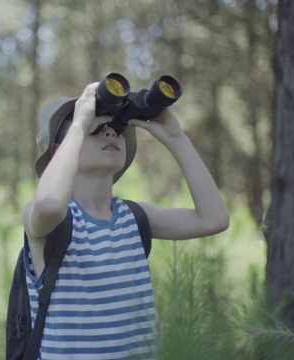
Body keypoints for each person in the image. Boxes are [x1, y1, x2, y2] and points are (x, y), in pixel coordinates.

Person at [22, 82, 229, 359]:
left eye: (116, 128)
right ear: (60, 150)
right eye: (96, 128)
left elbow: (213, 219)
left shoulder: (134, 217)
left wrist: (176, 138)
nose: (109, 130)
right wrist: (80, 124)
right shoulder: (49, 218)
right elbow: (49, 205)